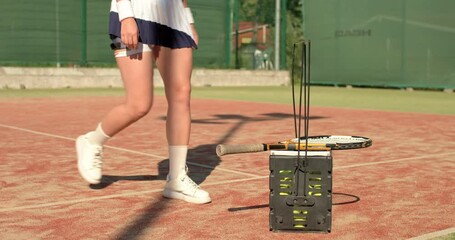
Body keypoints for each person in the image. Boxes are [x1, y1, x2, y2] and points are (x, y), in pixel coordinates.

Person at [76, 0, 211, 204]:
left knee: (181, 94)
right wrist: (126, 15)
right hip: (135, 11)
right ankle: (92, 141)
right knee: (139, 104)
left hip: (174, 18)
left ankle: (177, 179)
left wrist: (188, 21)